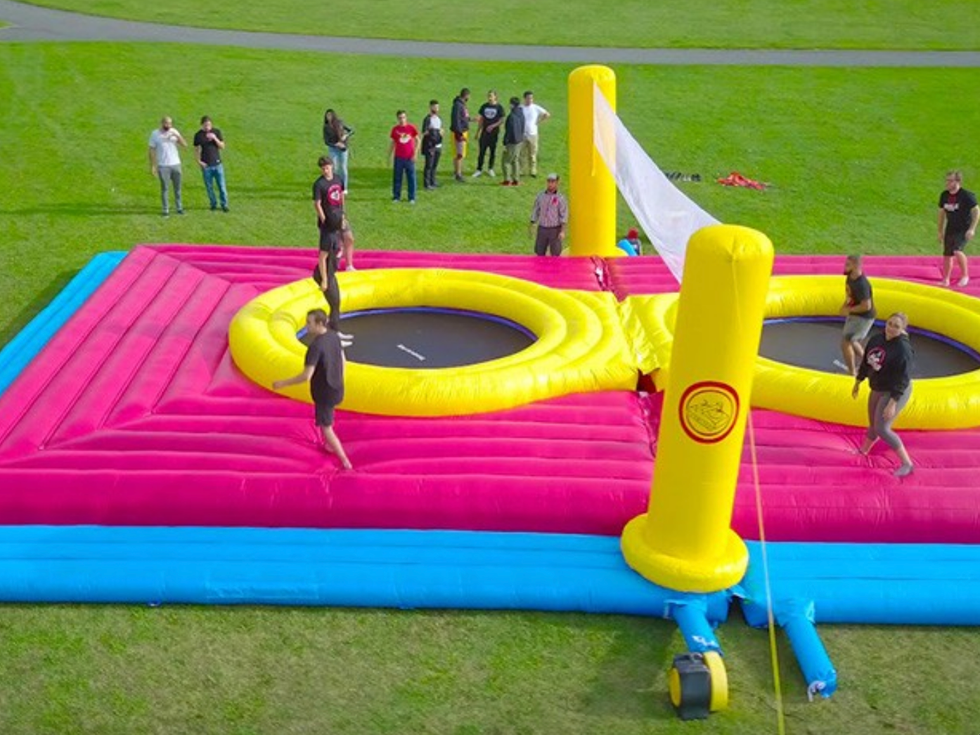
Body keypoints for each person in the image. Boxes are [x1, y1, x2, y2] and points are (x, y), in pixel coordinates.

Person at [272, 308, 353, 470]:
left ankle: (345, 461)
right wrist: (340, 378)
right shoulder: (334, 336)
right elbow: (343, 359)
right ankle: (330, 446)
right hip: (337, 387)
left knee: (326, 427)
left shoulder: (315, 347)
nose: (306, 326)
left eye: (309, 323)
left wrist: (283, 383)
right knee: (329, 414)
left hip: (324, 393)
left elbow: (306, 376)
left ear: (319, 324)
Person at [851, 312, 914, 478]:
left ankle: (907, 463)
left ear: (902, 330)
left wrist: (893, 402)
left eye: (896, 326)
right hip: (878, 386)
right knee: (873, 422)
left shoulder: (902, 349)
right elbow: (866, 362)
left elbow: (903, 377)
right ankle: (863, 451)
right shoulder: (876, 340)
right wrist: (858, 381)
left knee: (882, 428)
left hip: (895, 390)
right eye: (890, 323)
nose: (892, 328)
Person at [312, 156, 345, 327]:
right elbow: (321, 257)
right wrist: (324, 280)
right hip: (325, 274)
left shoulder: (338, 179)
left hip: (330, 271)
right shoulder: (319, 185)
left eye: (328, 167)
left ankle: (336, 332)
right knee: (335, 303)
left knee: (336, 303)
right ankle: (335, 332)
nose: (326, 170)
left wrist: (342, 213)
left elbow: (341, 197)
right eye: (323, 168)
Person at [836, 255, 876, 376]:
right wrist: (844, 306)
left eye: (848, 265)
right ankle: (869, 365)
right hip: (856, 314)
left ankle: (852, 371)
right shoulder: (849, 276)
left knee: (846, 342)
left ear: (855, 266)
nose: (845, 267)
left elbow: (866, 306)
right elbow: (850, 295)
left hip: (863, 317)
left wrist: (849, 310)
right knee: (853, 341)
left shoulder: (861, 284)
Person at [938, 170, 979, 287]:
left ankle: (965, 275)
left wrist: (972, 228)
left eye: (950, 181)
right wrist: (940, 231)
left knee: (957, 250)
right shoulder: (944, 195)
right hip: (951, 227)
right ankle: (945, 280)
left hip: (963, 228)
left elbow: (976, 211)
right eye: (947, 180)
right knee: (947, 254)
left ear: (958, 182)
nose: (947, 183)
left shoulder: (966, 195)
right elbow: (941, 213)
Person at [148, 116, 187, 216]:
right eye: (166, 123)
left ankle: (179, 207)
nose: (168, 126)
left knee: (177, 188)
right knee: (165, 188)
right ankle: (165, 210)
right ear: (162, 123)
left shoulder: (174, 131)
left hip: (175, 164)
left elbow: (184, 145)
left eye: (169, 124)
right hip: (163, 165)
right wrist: (153, 165)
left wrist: (176, 136)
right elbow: (151, 150)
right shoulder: (155, 134)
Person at [193, 116, 229, 212]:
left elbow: (222, 146)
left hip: (217, 164)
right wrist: (198, 161)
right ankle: (213, 204)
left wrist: (215, 138)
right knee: (209, 187)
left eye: (209, 125)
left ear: (211, 124)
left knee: (222, 186)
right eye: (205, 125)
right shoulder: (198, 135)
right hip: (206, 166)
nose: (207, 127)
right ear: (202, 125)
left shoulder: (216, 132)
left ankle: (224, 205)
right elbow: (196, 149)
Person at [529, 173, 568, 256]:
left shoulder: (560, 198)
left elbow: (563, 215)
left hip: (555, 229)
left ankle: (555, 269)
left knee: (555, 253)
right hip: (542, 228)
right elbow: (536, 209)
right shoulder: (540, 196)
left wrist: (562, 231)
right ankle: (540, 269)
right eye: (549, 181)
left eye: (553, 181)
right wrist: (532, 223)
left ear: (557, 183)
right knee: (539, 251)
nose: (550, 184)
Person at [472, 90, 505, 178]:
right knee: (481, 152)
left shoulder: (499, 107)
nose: (489, 97)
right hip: (484, 134)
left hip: (494, 134)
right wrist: (477, 132)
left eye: (491, 96)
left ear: (495, 97)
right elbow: (481, 119)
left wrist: (493, 126)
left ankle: (490, 168)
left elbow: (501, 120)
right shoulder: (484, 106)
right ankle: (479, 169)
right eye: (488, 96)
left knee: (492, 151)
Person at [389, 110, 419, 203]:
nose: (402, 119)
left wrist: (415, 153)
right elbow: (393, 142)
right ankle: (396, 196)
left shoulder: (411, 128)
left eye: (403, 117)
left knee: (411, 177)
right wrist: (389, 155)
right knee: (397, 177)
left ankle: (412, 197)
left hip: (409, 157)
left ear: (406, 117)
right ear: (397, 118)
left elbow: (418, 140)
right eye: (400, 118)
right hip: (398, 157)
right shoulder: (395, 130)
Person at [519, 90, 550, 178]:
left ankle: (533, 170)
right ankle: (521, 170)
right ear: (524, 99)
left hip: (533, 134)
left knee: (532, 153)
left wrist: (538, 121)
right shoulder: (521, 108)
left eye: (531, 98)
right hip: (523, 134)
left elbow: (547, 114)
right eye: (528, 98)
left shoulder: (535, 107)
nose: (530, 100)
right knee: (522, 153)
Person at [323, 109, 352, 193]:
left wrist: (345, 136)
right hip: (333, 149)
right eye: (327, 116)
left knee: (343, 168)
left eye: (330, 115)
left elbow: (351, 130)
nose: (329, 118)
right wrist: (335, 144)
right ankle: (335, 186)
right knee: (334, 167)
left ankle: (344, 187)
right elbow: (326, 141)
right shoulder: (326, 127)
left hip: (343, 149)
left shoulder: (340, 123)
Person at [500, 97, 525, 187]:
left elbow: (509, 131)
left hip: (512, 142)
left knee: (505, 161)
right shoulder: (521, 113)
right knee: (515, 160)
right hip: (519, 140)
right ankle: (516, 180)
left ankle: (507, 180)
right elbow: (522, 126)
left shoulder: (511, 116)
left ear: (512, 104)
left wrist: (505, 142)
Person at [421, 99, 443, 190]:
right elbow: (424, 132)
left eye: (437, 107)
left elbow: (441, 130)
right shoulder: (427, 119)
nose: (436, 108)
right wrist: (433, 132)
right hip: (430, 146)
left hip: (438, 145)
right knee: (429, 165)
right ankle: (427, 184)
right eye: (435, 106)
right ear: (430, 107)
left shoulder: (439, 119)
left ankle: (433, 181)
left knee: (434, 165)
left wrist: (440, 132)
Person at [450, 87, 470, 182]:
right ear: (466, 95)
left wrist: (471, 119)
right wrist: (460, 134)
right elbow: (456, 120)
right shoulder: (458, 105)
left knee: (458, 153)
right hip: (460, 132)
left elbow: (463, 117)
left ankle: (456, 172)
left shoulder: (461, 104)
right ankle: (458, 174)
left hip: (461, 131)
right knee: (459, 154)